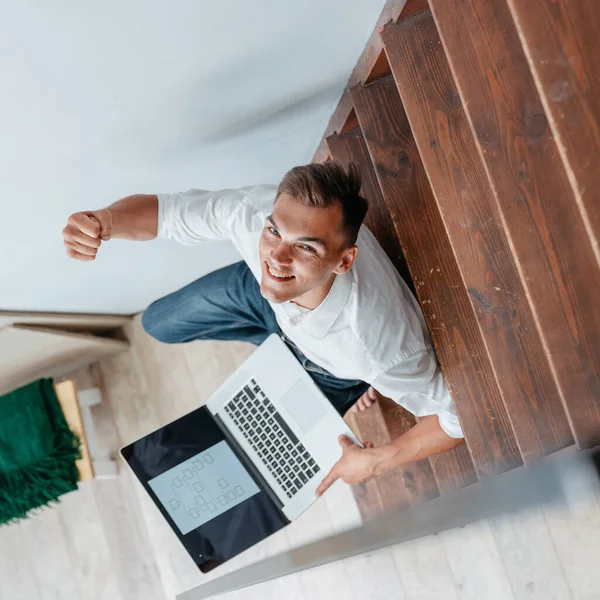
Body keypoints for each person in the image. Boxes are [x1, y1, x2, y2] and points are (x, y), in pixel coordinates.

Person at [62, 161, 464, 496]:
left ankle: (345, 380)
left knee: (251, 474)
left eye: (306, 247)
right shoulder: (256, 215)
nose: (277, 254)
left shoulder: (378, 346)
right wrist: (105, 221)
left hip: (332, 367)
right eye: (275, 231)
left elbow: (455, 416)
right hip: (267, 297)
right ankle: (276, 347)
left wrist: (380, 459)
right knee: (159, 324)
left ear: (344, 261)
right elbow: (165, 213)